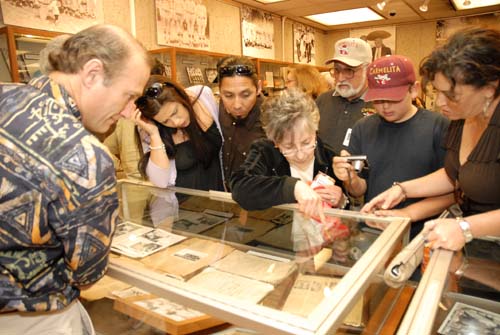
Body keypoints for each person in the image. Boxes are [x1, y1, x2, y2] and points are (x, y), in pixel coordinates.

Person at [0, 24, 151, 334]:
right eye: (128, 96)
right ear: (92, 73)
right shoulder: (85, 156)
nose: (126, 112)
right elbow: (88, 272)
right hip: (33, 321)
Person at [362, 29, 500, 297]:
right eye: (437, 92)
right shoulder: (464, 119)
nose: (440, 103)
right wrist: (403, 189)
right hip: (483, 254)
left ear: (489, 87)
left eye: (451, 95)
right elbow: (454, 174)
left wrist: (466, 228)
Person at [333, 55, 450, 237]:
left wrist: (408, 214)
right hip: (374, 230)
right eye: (378, 100)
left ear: (414, 90)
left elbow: (453, 191)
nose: (385, 106)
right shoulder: (363, 128)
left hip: (424, 233)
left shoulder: (440, 126)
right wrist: (349, 178)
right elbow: (358, 190)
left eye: (393, 99)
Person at [231, 89, 348, 254]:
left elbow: (348, 206)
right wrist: (293, 187)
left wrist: (341, 199)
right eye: (289, 147)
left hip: (320, 248)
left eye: (307, 142)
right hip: (276, 245)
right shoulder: (265, 151)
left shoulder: (328, 156)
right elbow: (240, 188)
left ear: (315, 131)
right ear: (275, 142)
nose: (300, 154)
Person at [131, 75, 224, 191]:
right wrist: (154, 135)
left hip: (219, 200)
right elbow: (160, 181)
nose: (176, 122)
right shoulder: (150, 130)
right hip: (184, 205)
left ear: (180, 97)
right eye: (165, 121)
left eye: (175, 112)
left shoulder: (202, 97)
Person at [316, 37, 375, 154]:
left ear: (368, 70)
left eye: (349, 70)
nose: (341, 78)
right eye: (337, 70)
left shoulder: (380, 105)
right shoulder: (322, 100)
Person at [217, 56, 266, 190]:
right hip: (222, 200)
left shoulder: (273, 120)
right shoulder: (215, 111)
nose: (237, 105)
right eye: (228, 96)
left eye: (245, 95)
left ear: (259, 88)